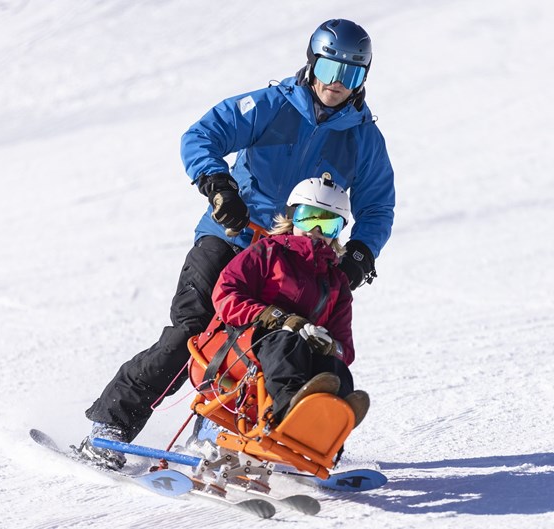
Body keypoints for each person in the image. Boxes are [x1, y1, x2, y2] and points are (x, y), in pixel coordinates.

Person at [78, 19, 394, 470]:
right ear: (311, 62)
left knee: (281, 342)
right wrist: (218, 184)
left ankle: (258, 435)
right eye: (329, 68)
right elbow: (201, 135)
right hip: (232, 236)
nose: (335, 85)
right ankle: (110, 426)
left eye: (351, 75)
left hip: (295, 257)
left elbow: (378, 206)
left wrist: (360, 254)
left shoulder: (363, 139)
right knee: (191, 334)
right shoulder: (270, 106)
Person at [213, 177, 369, 426]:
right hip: (246, 345)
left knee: (334, 369)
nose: (315, 231)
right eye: (308, 217)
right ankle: (289, 411)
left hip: (298, 357)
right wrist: (274, 318)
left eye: (328, 225)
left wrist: (329, 346)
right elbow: (226, 293)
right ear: (292, 216)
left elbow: (345, 349)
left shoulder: (337, 282)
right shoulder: (267, 252)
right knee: (286, 341)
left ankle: (333, 426)